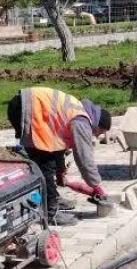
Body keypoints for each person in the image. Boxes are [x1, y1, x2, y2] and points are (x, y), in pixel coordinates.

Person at [7, 87, 111, 226]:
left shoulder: (79, 112)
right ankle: (51, 212)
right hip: (27, 110)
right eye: (100, 132)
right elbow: (84, 158)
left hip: (26, 107)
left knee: (48, 162)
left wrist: (60, 170)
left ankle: (52, 198)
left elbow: (57, 146)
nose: (98, 135)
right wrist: (96, 185)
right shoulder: (82, 122)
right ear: (97, 123)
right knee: (45, 165)